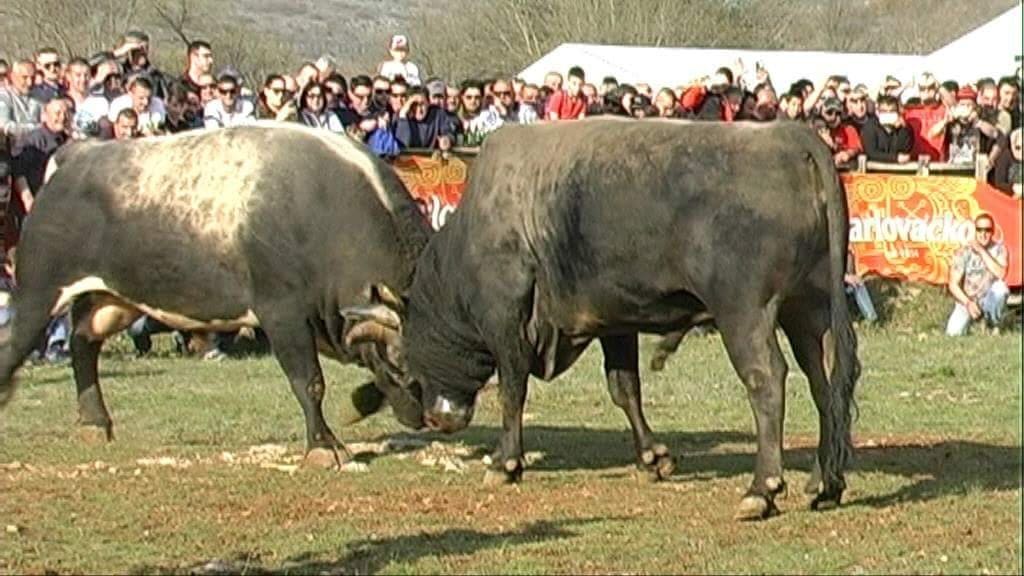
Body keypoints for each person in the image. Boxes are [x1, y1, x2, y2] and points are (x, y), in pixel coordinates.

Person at [945, 213, 1009, 336]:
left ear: (993, 231)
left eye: (987, 230)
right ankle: (975, 325)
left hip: (988, 298)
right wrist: (968, 303)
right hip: (968, 300)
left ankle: (993, 324)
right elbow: (952, 284)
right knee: (952, 333)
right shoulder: (964, 251)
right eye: (980, 230)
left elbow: (1001, 274)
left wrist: (981, 251)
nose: (983, 234)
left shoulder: (1000, 249)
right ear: (975, 230)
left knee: (1001, 288)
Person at [860, 95, 914, 164]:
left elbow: (905, 149)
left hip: (898, 169)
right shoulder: (869, 127)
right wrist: (895, 158)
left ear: (898, 112)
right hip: (874, 170)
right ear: (878, 112)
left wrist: (903, 129)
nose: (888, 114)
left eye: (892, 111)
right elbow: (871, 153)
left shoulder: (904, 128)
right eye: (884, 111)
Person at [990, 127, 1022, 197]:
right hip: (1008, 198)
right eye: (1018, 147)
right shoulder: (1005, 156)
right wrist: (1013, 187)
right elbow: (998, 183)